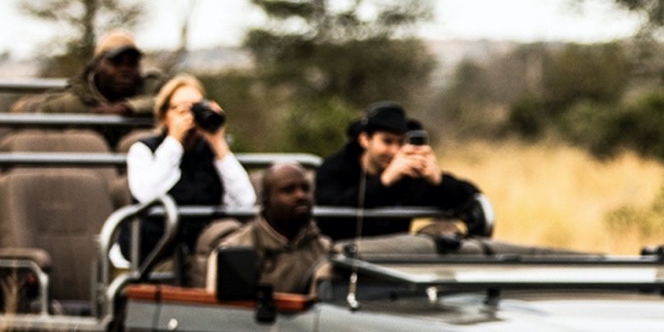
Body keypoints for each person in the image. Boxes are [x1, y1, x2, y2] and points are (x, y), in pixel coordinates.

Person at [125, 74, 256, 277]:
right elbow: (147, 194)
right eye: (182, 110)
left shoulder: (212, 153)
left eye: (196, 109)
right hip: (154, 255)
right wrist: (175, 141)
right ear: (163, 116)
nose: (191, 118)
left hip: (203, 251)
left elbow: (245, 202)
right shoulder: (143, 150)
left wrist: (218, 143)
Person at [313, 102, 486, 241]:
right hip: (343, 256)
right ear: (365, 140)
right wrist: (384, 182)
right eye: (387, 142)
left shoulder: (409, 176)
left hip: (395, 258)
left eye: (401, 143)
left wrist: (438, 181)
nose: (395, 151)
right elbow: (330, 216)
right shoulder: (334, 169)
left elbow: (471, 198)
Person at [200, 163, 332, 296]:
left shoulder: (325, 249)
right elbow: (224, 312)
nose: (300, 196)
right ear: (266, 199)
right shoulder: (234, 250)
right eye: (288, 190)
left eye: (305, 188)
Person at [24, 30, 157, 115]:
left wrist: (127, 108)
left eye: (132, 63)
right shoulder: (66, 105)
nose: (125, 70)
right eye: (116, 62)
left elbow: (167, 100)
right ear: (98, 64)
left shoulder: (150, 91)